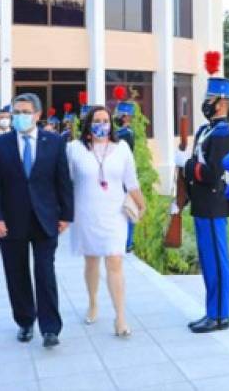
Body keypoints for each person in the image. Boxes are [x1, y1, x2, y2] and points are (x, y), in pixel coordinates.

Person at [0, 92, 73, 349]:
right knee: (16, 272)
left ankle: (50, 328)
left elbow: (63, 181)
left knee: (45, 272)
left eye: (25, 112)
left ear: (37, 115)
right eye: (16, 112)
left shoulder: (54, 142)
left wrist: (66, 214)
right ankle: (24, 321)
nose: (20, 117)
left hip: (45, 219)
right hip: (11, 221)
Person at [66, 106, 146, 337]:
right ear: (88, 124)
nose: (102, 124)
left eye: (106, 120)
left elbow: (131, 181)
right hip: (86, 213)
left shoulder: (121, 149)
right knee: (91, 261)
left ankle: (120, 317)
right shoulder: (74, 149)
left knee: (115, 261)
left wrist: (142, 204)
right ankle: (93, 302)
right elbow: (66, 181)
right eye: (97, 120)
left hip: (115, 213)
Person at [173, 53, 229, 333]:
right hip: (201, 204)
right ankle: (212, 311)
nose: (205, 104)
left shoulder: (223, 133)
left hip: (213, 203)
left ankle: (221, 315)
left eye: (210, 100)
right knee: (207, 260)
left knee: (216, 261)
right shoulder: (205, 130)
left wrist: (185, 165)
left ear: (221, 103)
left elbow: (211, 172)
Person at [112, 98, 137, 253]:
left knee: (127, 209)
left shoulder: (124, 133)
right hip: (121, 175)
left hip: (121, 175)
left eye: (121, 114)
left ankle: (126, 241)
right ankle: (126, 242)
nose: (118, 116)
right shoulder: (123, 133)